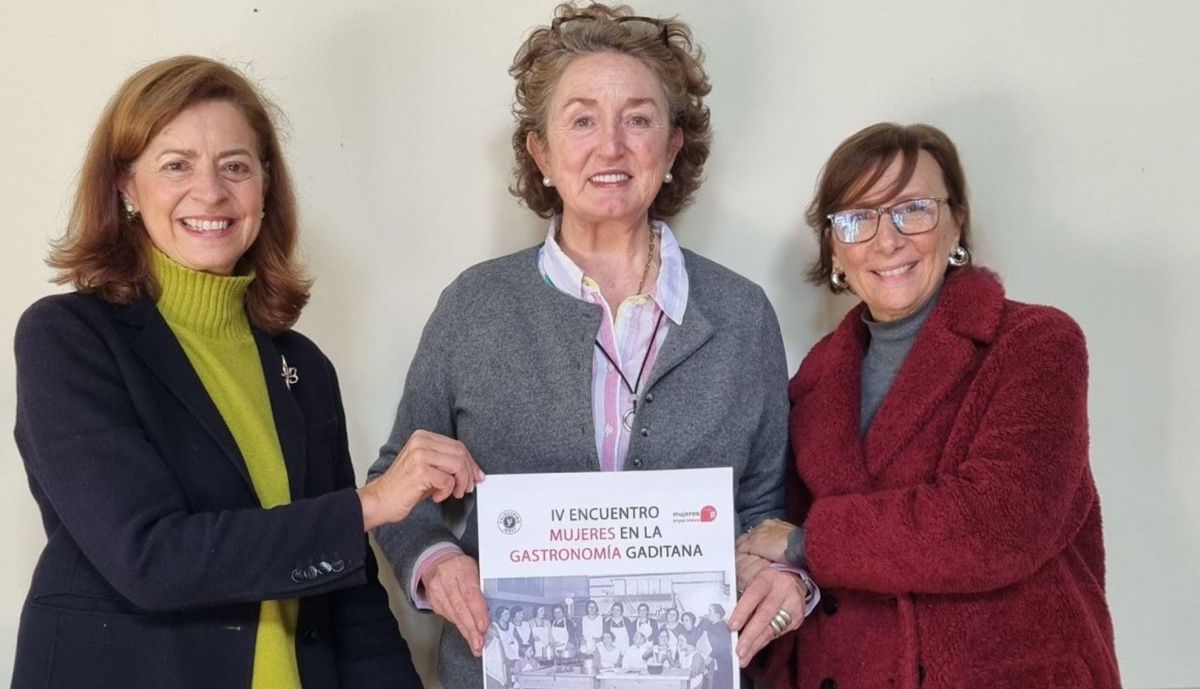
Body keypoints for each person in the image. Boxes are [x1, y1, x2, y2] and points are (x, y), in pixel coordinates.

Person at [11, 56, 483, 688]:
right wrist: (368, 505)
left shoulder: (302, 367)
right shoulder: (68, 338)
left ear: (265, 188)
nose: (210, 192)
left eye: (235, 166)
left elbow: (350, 598)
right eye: (176, 165)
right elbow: (150, 558)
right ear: (126, 186)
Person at [367, 4, 803, 687]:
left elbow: (762, 504)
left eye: (638, 119)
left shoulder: (741, 314)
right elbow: (399, 478)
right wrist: (435, 562)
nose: (611, 147)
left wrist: (783, 576)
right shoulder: (474, 306)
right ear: (541, 152)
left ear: (673, 147)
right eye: (581, 121)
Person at [739, 123, 1122, 688]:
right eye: (857, 219)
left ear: (956, 221)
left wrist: (806, 544)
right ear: (835, 247)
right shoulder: (815, 379)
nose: (887, 241)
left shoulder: (1035, 343)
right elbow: (789, 549)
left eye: (912, 209)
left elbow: (996, 523)